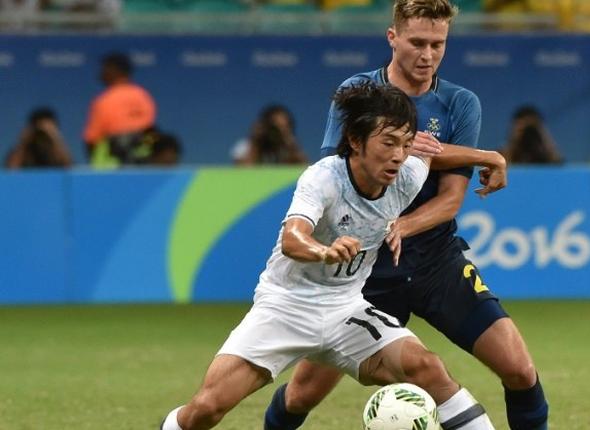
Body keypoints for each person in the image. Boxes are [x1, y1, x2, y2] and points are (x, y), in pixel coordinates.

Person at [263, 1, 549, 429]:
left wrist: (403, 225)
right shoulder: (359, 93)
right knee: (303, 393)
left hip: (436, 261)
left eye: (438, 44)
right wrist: (482, 154)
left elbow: (452, 199)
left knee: (520, 370)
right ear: (392, 37)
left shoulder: (459, 103)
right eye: (417, 42)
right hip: (367, 271)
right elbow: (339, 167)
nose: (427, 54)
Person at [160, 82, 508, 430]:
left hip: (346, 308)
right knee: (206, 409)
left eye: (404, 144)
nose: (399, 156)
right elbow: (292, 238)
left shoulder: (407, 174)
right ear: (356, 141)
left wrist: (489, 157)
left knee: (427, 368)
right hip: (286, 307)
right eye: (388, 143)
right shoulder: (324, 177)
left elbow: (430, 153)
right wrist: (324, 251)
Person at [83, 51, 156, 166]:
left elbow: (91, 140)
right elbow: (150, 133)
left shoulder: (104, 100)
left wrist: (96, 170)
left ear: (115, 70)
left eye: (105, 68)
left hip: (114, 163)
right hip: (143, 162)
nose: (101, 73)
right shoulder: (143, 95)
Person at [232, 105, 307, 165]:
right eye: (275, 127)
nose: (279, 131)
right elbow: (242, 171)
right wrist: (256, 142)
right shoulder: (245, 146)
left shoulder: (289, 149)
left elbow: (304, 172)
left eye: (284, 127)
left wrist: (293, 147)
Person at [4, 107, 72, 169]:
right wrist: (23, 141)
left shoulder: (56, 152)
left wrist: (55, 138)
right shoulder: (25, 150)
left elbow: (69, 170)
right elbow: (11, 170)